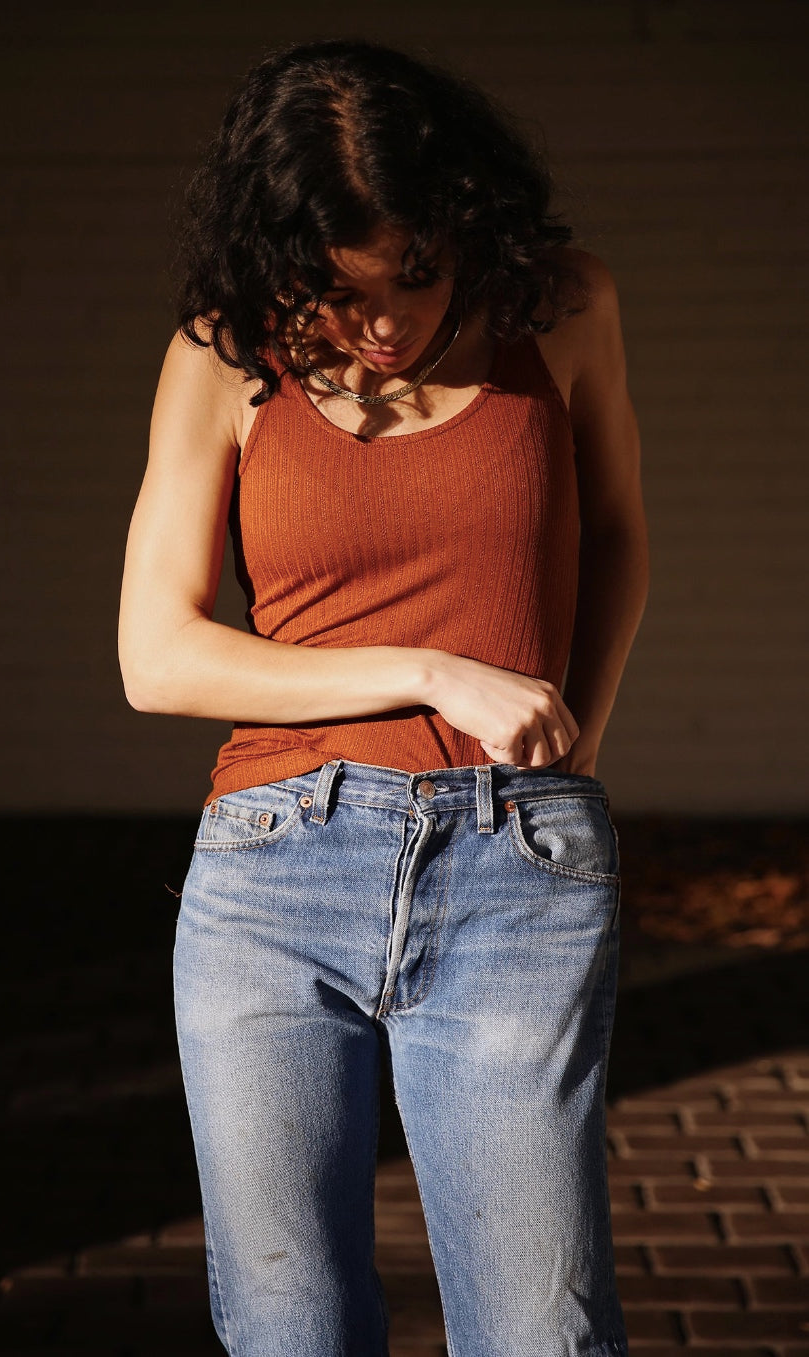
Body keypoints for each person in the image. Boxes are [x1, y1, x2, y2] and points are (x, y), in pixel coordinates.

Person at [118, 37, 648, 1357]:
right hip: (273, 873)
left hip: (513, 866)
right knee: (289, 1325)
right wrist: (427, 669)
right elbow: (156, 656)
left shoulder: (561, 307)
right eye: (341, 292)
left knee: (541, 1330)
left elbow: (619, 535)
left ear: (467, 220)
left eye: (415, 275)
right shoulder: (224, 357)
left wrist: (568, 755)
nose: (385, 326)